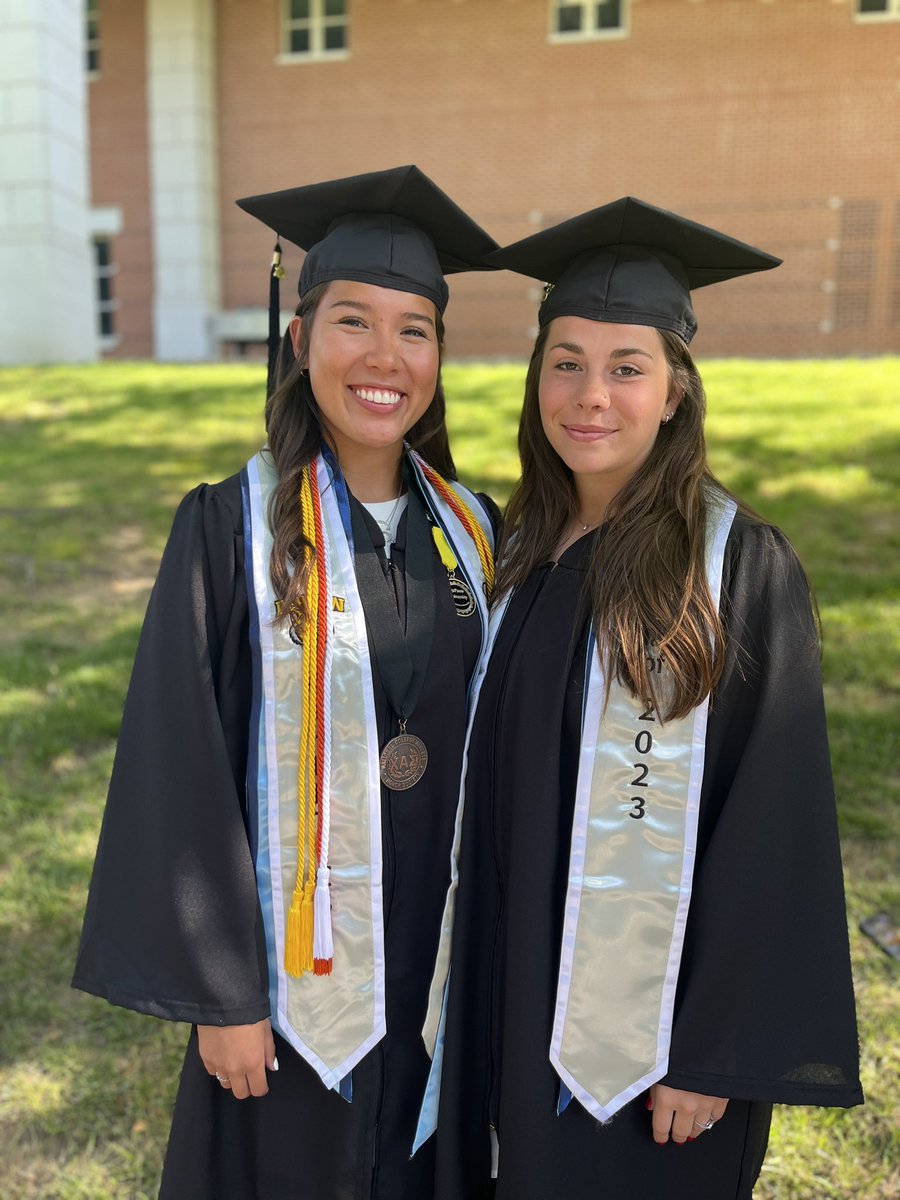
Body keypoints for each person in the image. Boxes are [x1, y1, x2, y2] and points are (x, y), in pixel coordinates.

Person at [419, 198, 863, 1200]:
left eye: (628, 367)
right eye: (566, 361)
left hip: (650, 1045)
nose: (591, 395)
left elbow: (774, 825)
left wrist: (711, 1051)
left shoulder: (736, 567)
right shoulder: (518, 551)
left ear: (673, 395)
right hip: (508, 985)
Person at [72, 165, 501, 1200]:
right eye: (354, 321)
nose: (385, 359)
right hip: (287, 981)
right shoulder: (230, 527)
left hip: (437, 964)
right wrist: (223, 993)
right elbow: (182, 763)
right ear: (299, 338)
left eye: (416, 330)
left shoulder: (481, 533)